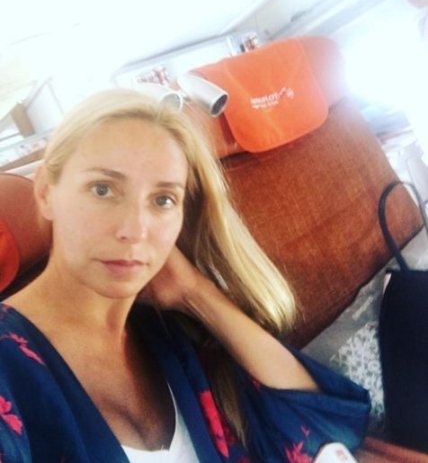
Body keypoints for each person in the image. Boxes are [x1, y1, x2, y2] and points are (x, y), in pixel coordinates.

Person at [0, 88, 370, 462]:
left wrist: (195, 292)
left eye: (163, 200)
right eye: (103, 190)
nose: (135, 229)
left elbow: (326, 430)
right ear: (45, 192)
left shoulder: (169, 338)